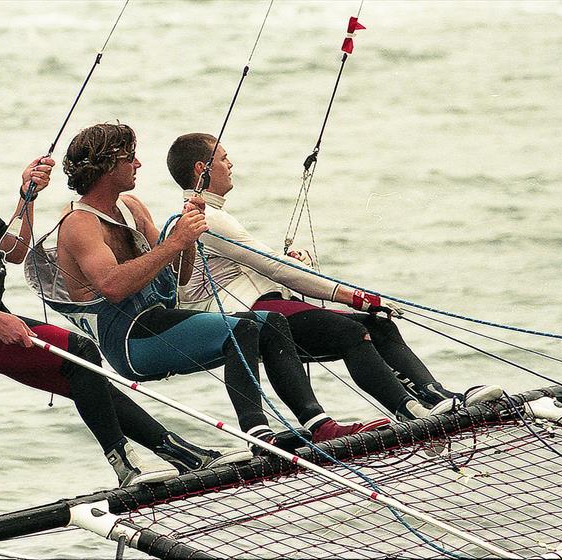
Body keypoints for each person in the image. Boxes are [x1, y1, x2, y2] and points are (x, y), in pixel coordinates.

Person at [0, 104, 250, 489]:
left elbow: (14, 249)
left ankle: (181, 454)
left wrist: (27, 196)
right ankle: (128, 467)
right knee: (79, 354)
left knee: (82, 374)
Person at [37, 122, 390, 451]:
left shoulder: (131, 207)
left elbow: (178, 277)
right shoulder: (79, 223)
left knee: (270, 323)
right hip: (129, 340)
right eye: (130, 158)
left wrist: (190, 235)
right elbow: (112, 287)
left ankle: (319, 424)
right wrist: (174, 242)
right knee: (243, 329)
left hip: (159, 318)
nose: (139, 164)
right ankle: (258, 435)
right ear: (107, 166)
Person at [165, 133, 502, 420]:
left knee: (380, 324)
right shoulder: (206, 217)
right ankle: (408, 409)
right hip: (252, 317)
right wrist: (353, 296)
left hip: (267, 306)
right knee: (351, 330)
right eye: (224, 159)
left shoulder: (212, 214)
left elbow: (258, 267)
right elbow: (272, 269)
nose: (231, 164)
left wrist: (288, 266)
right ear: (202, 168)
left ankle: (434, 393)